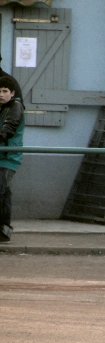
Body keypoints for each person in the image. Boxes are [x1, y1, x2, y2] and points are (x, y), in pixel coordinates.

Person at [0, 76, 25, 242]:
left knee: (0, 191)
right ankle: (4, 230)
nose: (1, 94)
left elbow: (8, 129)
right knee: (4, 193)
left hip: (8, 157)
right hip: (3, 156)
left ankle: (3, 230)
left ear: (12, 93)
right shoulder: (2, 107)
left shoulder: (15, 107)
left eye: (4, 91)